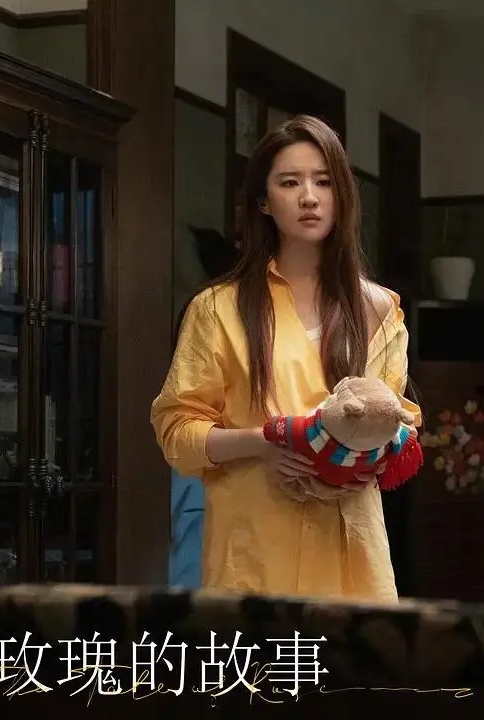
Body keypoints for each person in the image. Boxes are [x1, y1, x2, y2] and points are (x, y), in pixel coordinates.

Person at [151, 114, 421, 602]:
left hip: (351, 559)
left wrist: (371, 457)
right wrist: (264, 443)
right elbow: (176, 433)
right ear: (263, 200)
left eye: (324, 181)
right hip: (254, 553)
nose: (309, 197)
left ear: (343, 195)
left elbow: (394, 424)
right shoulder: (218, 308)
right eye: (290, 182)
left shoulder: (380, 309)